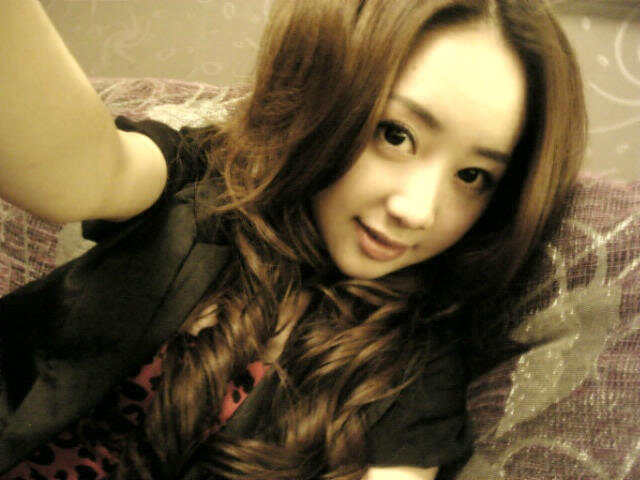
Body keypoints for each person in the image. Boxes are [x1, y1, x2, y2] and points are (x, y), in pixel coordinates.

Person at [0, 0, 586, 479]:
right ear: (328, 97)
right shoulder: (204, 185)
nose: (417, 211)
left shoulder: (411, 371)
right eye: (395, 134)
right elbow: (81, 169)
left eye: (473, 176)